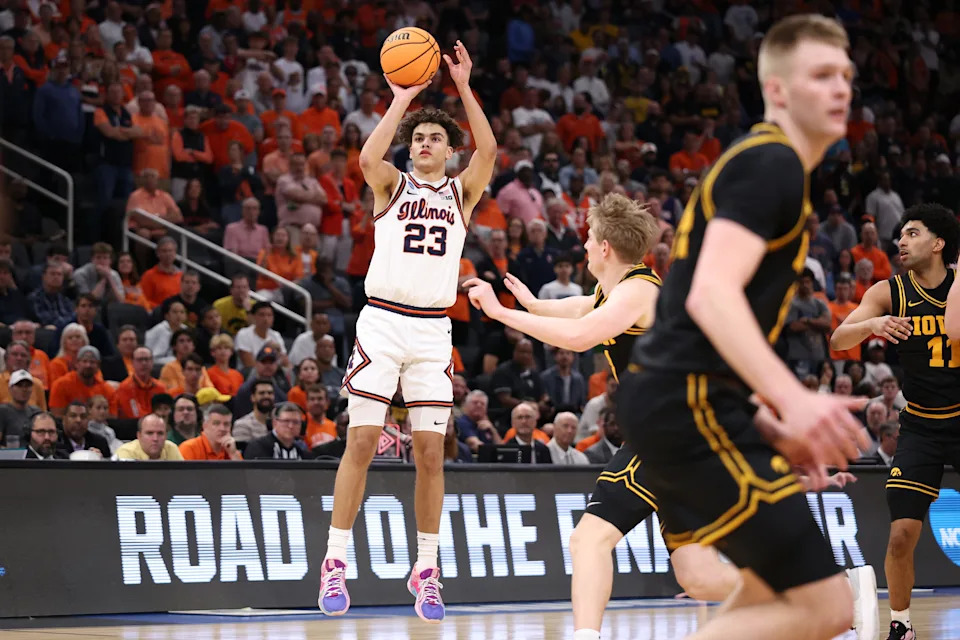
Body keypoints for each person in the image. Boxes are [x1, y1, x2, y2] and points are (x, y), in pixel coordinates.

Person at [610, 16, 869, 640]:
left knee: (760, 593)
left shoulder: (773, 167)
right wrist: (794, 400)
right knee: (827, 609)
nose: (841, 90)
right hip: (686, 403)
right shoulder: (771, 163)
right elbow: (710, 297)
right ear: (777, 90)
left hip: (692, 401)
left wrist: (764, 419)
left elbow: (707, 313)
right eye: (822, 75)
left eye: (847, 77)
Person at [466, 193, 742, 637]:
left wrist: (501, 313)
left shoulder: (638, 292)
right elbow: (576, 308)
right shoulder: (615, 290)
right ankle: (817, 588)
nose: (586, 246)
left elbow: (578, 335)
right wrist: (529, 304)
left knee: (588, 539)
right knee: (698, 576)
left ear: (606, 248)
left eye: (590, 239)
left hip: (671, 430)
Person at [319, 40, 496, 623]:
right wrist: (401, 100)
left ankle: (426, 570)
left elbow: (489, 149)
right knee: (362, 443)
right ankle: (335, 559)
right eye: (418, 138)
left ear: (449, 151)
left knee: (430, 454)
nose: (424, 144)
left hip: (431, 332)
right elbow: (368, 159)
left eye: (435, 139)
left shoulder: (461, 192)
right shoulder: (391, 185)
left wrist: (464, 87)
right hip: (384, 322)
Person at [834, 203, 960, 640]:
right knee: (901, 534)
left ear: (938, 243)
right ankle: (902, 625)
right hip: (922, 425)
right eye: (900, 234)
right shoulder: (891, 291)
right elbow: (837, 340)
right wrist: (874, 322)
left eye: (912, 233)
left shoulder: (959, 285)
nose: (900, 241)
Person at [243, 401, 311, 459]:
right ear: (274, 423)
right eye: (286, 421)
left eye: (295, 422)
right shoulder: (257, 447)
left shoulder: (303, 454)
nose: (291, 426)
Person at [116, 413, 184, 460]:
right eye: (150, 433)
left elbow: (183, 477)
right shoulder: (126, 452)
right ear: (139, 436)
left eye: (160, 433)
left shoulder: (172, 448)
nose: (155, 439)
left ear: (166, 436)